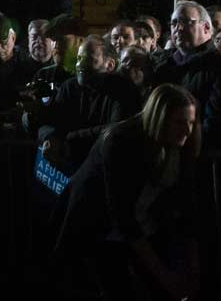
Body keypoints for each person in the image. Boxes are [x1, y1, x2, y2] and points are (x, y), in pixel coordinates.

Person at [56, 84, 202, 301]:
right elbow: (121, 215)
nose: (188, 130)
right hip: (100, 228)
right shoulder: (121, 141)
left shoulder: (183, 144)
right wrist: (166, 277)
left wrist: (193, 269)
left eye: (190, 122)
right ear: (159, 119)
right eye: (180, 122)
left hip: (143, 225)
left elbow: (187, 203)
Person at [154, 0, 221, 148]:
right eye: (173, 23)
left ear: (206, 27)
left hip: (208, 156)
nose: (178, 28)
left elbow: (220, 119)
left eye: (186, 21)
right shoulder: (164, 69)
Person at [35, 35, 140, 168]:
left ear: (110, 65)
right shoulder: (70, 86)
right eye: (79, 59)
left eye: (88, 59)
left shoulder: (124, 90)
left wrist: (68, 139)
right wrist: (49, 137)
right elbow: (50, 121)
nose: (80, 65)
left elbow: (113, 131)